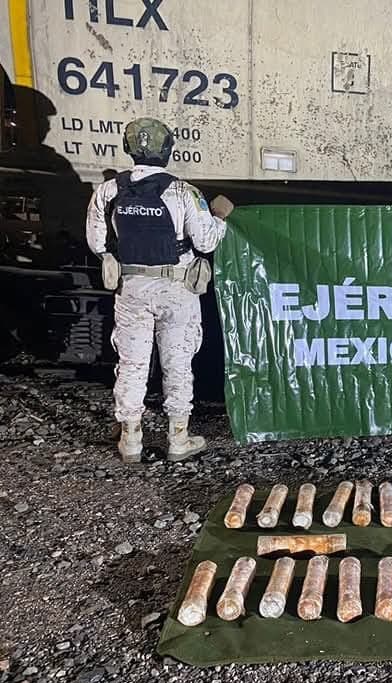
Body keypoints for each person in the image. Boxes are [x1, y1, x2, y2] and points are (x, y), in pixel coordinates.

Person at [85, 118, 234, 463]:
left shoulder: (108, 191)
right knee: (177, 364)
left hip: (131, 287)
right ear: (167, 150)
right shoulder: (184, 192)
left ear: (128, 147)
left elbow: (97, 242)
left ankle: (131, 440)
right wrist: (221, 218)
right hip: (176, 289)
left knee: (132, 364)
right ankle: (178, 439)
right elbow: (207, 241)